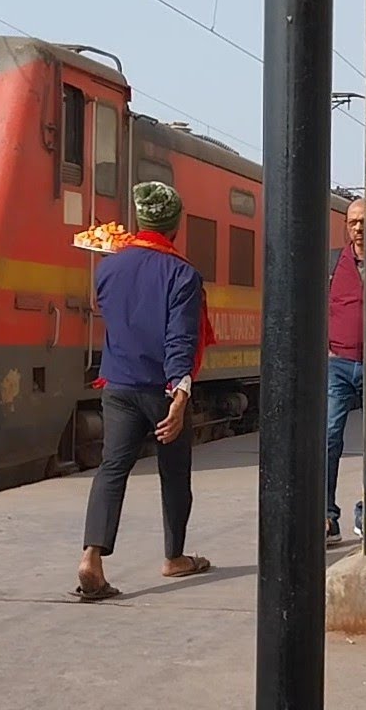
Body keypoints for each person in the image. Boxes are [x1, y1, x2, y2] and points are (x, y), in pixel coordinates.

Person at [74, 181, 216, 601]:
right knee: (174, 473)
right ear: (175, 225)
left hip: (117, 384)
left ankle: (91, 557)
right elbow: (180, 338)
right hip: (161, 389)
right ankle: (174, 557)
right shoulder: (183, 274)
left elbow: (112, 315)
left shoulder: (107, 268)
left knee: (111, 469)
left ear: (141, 220)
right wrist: (180, 394)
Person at [326, 198, 366, 544]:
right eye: (353, 222)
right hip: (337, 362)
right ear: (346, 226)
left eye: (365, 221)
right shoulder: (332, 262)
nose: (359, 228)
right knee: (328, 436)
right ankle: (327, 517)